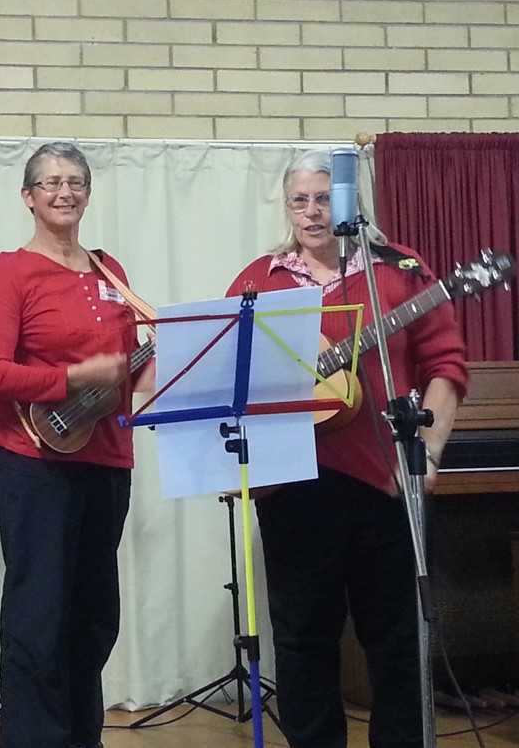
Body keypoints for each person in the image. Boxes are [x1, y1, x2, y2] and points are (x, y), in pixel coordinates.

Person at [226, 149, 468, 748]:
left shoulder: (402, 269)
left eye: (323, 198)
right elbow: (226, 368)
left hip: (385, 483)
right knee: (303, 643)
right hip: (293, 489)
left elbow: (446, 366)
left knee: (397, 642)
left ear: (348, 202)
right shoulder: (261, 278)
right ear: (287, 208)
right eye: (298, 200)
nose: (312, 212)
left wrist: (429, 456)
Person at [0, 142, 153, 748]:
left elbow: (132, 367)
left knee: (95, 615)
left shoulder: (110, 270)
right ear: (28, 197)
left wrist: (157, 377)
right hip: (34, 465)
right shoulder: (13, 271)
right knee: (38, 616)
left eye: (75, 181)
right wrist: (73, 378)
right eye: (50, 183)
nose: (65, 192)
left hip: (106, 459)